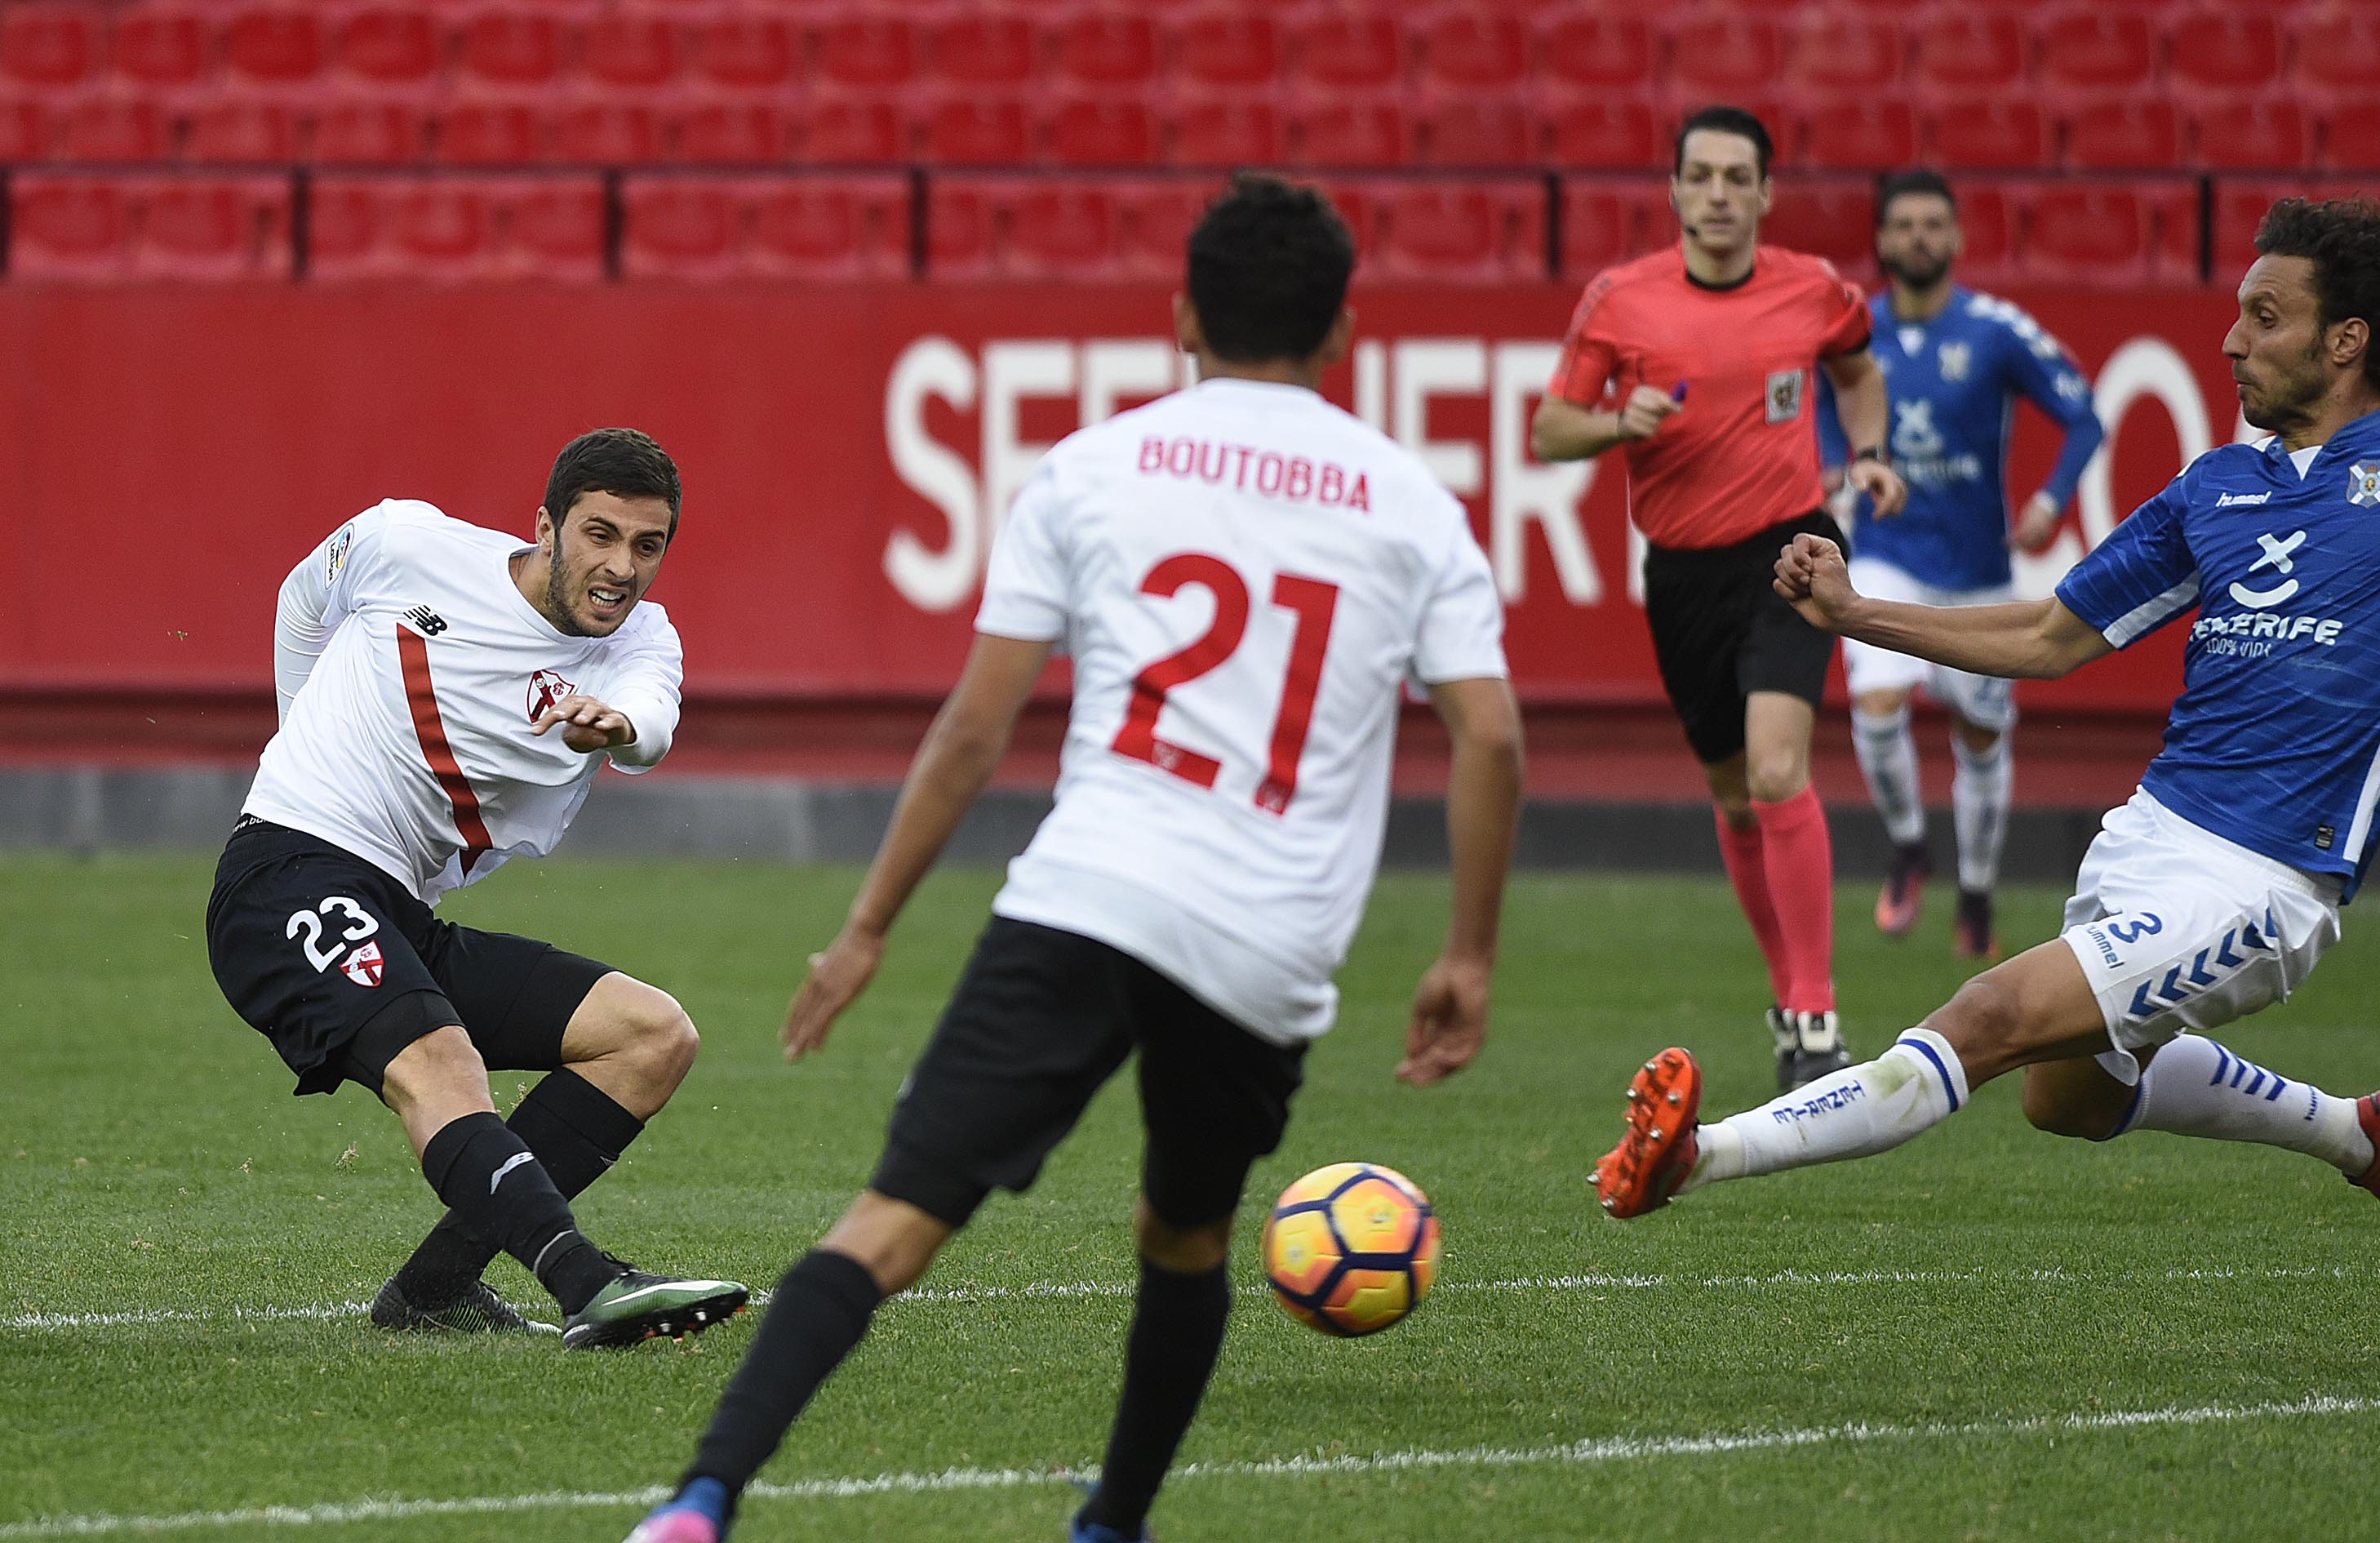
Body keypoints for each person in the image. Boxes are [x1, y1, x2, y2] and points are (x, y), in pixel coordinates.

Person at [622, 175, 1524, 1543]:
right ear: (1340, 332)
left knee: (892, 1223)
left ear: (1180, 319)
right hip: (1262, 941)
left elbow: (973, 733)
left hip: (1086, 894)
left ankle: (700, 1502)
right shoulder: (1410, 506)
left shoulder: (1096, 469)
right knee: (1187, 1238)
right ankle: (1111, 1524)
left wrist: (866, 928)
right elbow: (1491, 740)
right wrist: (1464, 952)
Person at [1592, 198, 2380, 1244]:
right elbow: (2048, 637)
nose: (2231, 338)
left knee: (1987, 1020)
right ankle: (2363, 1136)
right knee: (2065, 1099)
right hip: (2149, 838)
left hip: (2260, 884)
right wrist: (1852, 614)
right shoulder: (2215, 486)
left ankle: (1699, 1157)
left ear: (2346, 342)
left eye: (2265, 316)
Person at [205, 428, 748, 1349]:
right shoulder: (406, 542)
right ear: (546, 527)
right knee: (441, 1065)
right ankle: (586, 1284)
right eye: (599, 534)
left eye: (646, 545)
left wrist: (616, 726)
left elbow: (652, 721)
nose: (620, 567)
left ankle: (433, 1293)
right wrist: (298, 746)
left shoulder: (640, 646)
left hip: (400, 912)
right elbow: (305, 599)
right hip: (285, 872)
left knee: (651, 1038)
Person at [1534, 104, 1910, 1092]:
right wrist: (1618, 421)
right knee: (1736, 796)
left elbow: (1860, 373)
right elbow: (1549, 430)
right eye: (1698, 176)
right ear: (1672, 190)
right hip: (1682, 574)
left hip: (1789, 550)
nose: (1715, 195)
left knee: (1780, 769)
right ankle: (1787, 991)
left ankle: (1816, 1018)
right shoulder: (1620, 301)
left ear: (1763, 194)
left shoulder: (1811, 288)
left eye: (1735, 178)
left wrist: (1867, 456)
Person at [1816, 170, 2106, 958]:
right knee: (1876, 706)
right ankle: (1909, 845)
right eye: (1902, 224)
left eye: (1932, 224)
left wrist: (2049, 502)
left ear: (1956, 238)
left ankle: (1975, 888)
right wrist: (1831, 465)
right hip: (1885, 552)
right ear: (1879, 239)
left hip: (1978, 571)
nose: (1917, 237)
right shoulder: (1850, 330)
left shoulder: (1994, 329)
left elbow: (2083, 415)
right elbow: (1817, 400)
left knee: (1980, 736)